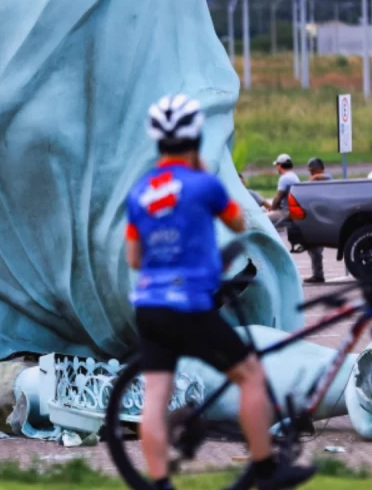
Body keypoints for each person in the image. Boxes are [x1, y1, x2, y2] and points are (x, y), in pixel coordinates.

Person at [124, 94, 316, 490]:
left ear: (157, 142)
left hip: (150, 307)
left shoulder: (141, 191)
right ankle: (265, 468)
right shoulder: (202, 184)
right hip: (191, 305)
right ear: (195, 138)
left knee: (156, 397)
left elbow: (134, 257)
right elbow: (237, 219)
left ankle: (159, 483)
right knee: (249, 375)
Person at [303, 158, 332, 284]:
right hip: (318, 217)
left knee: (315, 248)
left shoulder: (326, 178)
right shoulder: (317, 181)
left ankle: (318, 275)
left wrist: (314, 178)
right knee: (314, 249)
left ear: (320, 169)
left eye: (313, 171)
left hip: (327, 218)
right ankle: (317, 274)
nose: (312, 174)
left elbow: (326, 177)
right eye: (310, 172)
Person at [266, 154, 300, 230]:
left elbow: (278, 198)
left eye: (276, 165)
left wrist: (272, 210)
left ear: (279, 165)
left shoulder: (284, 178)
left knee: (263, 219)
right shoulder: (294, 176)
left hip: (287, 211)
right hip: (291, 209)